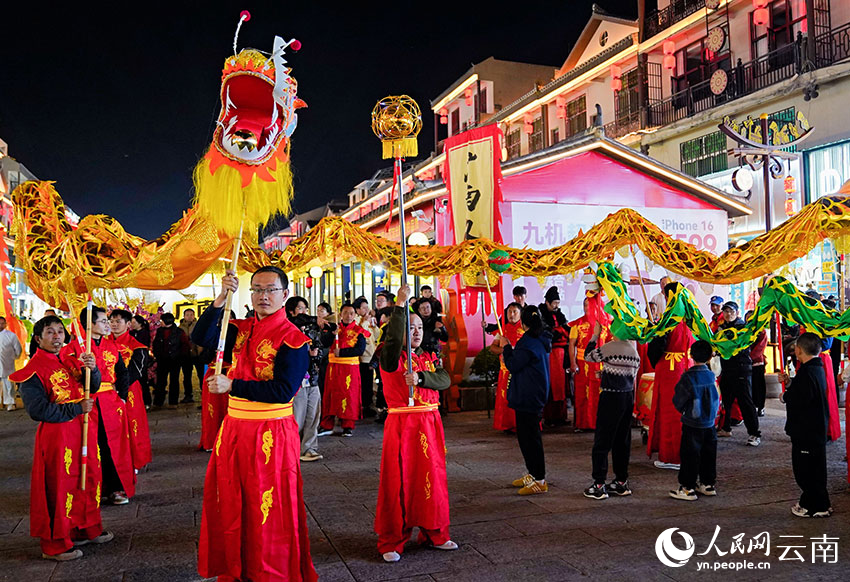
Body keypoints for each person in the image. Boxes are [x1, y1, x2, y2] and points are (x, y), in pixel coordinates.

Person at [194, 266, 317, 581]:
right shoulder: (239, 327)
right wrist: (221, 297)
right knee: (231, 497)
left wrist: (233, 385)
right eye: (257, 289)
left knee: (268, 503)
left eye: (270, 290)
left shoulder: (294, 339)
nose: (263, 296)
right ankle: (237, 565)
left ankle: (270, 570)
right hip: (234, 428)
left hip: (270, 432)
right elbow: (201, 336)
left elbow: (281, 392)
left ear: (284, 295)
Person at [12, 315, 114, 561]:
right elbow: (38, 411)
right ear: (38, 339)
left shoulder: (70, 362)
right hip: (58, 436)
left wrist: (93, 369)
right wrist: (76, 409)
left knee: (87, 477)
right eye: (50, 332)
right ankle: (55, 543)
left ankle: (85, 528)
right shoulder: (31, 371)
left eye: (60, 331)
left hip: (83, 431)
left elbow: (93, 385)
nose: (57, 336)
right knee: (59, 485)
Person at [375, 284, 456, 562]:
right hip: (402, 425)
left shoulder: (430, 358)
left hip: (430, 424)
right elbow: (395, 340)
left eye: (420, 327)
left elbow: (444, 380)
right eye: (411, 327)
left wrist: (421, 379)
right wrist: (400, 306)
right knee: (398, 480)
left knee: (432, 478)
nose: (416, 332)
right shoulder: (390, 357)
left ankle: (435, 532)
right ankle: (392, 540)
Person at [61, 306, 134, 505]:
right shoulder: (73, 349)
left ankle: (117, 488)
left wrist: (123, 397)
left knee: (114, 447)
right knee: (91, 447)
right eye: (103, 321)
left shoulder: (112, 346)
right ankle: (93, 489)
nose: (108, 325)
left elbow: (123, 373)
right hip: (87, 404)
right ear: (89, 325)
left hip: (111, 403)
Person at [582, 322, 640, 500]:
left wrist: (594, 336)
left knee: (602, 441)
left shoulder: (609, 347)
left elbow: (588, 356)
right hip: (627, 398)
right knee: (622, 441)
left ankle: (599, 484)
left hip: (610, 398)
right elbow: (630, 374)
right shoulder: (633, 351)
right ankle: (621, 482)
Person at [777, 333, 832, 518]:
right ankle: (822, 502)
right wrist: (790, 382)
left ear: (799, 349)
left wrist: (785, 395)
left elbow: (800, 399)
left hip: (806, 429)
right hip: (815, 428)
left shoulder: (807, 372)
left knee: (806, 471)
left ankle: (812, 505)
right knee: (816, 468)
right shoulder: (816, 368)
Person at [500, 305, 551, 495]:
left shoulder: (528, 343)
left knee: (531, 439)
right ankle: (533, 473)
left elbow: (513, 364)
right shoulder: (538, 340)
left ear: (523, 322)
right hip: (531, 394)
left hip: (529, 396)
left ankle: (539, 479)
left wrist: (506, 347)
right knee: (526, 437)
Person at [646, 282, 694, 470]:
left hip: (670, 368)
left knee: (670, 412)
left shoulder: (670, 319)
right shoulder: (690, 317)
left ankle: (672, 456)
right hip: (686, 365)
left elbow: (657, 347)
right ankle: (681, 453)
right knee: (683, 410)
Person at [669, 341, 720, 501]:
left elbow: (678, 400)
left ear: (691, 355)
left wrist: (684, 411)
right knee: (709, 454)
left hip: (692, 422)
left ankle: (687, 488)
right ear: (710, 356)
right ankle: (707, 484)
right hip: (710, 423)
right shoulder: (712, 376)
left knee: (690, 455)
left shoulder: (688, 377)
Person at [287, 296, 333, 462]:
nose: (304, 312)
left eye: (305, 308)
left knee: (313, 414)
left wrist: (315, 353)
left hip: (312, 378)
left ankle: (309, 448)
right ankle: (292, 447)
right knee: (297, 416)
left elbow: (320, 347)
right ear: (291, 311)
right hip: (297, 380)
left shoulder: (311, 329)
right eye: (300, 308)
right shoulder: (289, 327)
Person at [109, 309, 152, 470]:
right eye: (111, 321)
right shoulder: (102, 344)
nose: (114, 324)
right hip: (107, 391)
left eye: (118, 321)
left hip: (130, 391)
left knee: (131, 424)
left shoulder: (137, 347)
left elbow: (136, 372)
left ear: (128, 324)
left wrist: (119, 386)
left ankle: (134, 460)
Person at [319, 303, 368, 437]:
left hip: (350, 369)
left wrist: (343, 353)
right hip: (333, 368)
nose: (348, 316)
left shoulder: (359, 331)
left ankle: (347, 425)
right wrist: (331, 334)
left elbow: (360, 350)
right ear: (340, 314)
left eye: (351, 313)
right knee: (330, 394)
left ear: (355, 315)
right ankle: (326, 424)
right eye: (345, 313)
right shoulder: (334, 327)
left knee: (349, 395)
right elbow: (324, 342)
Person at [716, 302, 761, 446]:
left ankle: (754, 434)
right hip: (727, 369)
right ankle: (725, 428)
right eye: (726, 311)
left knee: (745, 402)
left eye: (731, 311)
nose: (728, 314)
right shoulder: (722, 327)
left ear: (737, 312)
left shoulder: (742, 327)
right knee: (726, 401)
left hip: (741, 369)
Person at [197, 310, 237, 453]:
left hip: (231, 374)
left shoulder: (239, 335)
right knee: (212, 410)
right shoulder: (214, 336)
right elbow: (202, 357)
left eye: (231, 318)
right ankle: (212, 440)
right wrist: (213, 351)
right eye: (226, 318)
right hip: (215, 372)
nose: (229, 321)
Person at [570, 296, 610, 431]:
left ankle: (599, 423)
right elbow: (572, 345)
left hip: (600, 365)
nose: (587, 308)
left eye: (589, 305)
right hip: (583, 364)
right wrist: (573, 363)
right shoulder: (577, 324)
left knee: (599, 394)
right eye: (585, 305)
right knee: (582, 395)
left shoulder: (606, 324)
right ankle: (583, 423)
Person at [487, 303, 523, 432]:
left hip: (520, 371)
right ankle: (507, 425)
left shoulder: (525, 329)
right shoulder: (502, 330)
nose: (512, 315)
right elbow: (492, 348)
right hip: (505, 370)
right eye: (509, 312)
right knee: (505, 398)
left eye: (515, 312)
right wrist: (504, 349)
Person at [539, 286, 570, 426]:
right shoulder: (540, 315)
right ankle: (550, 417)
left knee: (562, 386)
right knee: (551, 385)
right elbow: (544, 333)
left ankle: (561, 416)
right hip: (550, 354)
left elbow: (566, 329)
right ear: (547, 302)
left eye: (558, 303)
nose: (557, 306)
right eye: (554, 303)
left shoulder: (560, 315)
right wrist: (557, 332)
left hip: (562, 354)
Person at [152, 313, 189, 408]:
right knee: (160, 381)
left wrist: (181, 357)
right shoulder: (160, 331)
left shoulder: (179, 332)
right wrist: (156, 354)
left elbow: (184, 345)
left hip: (175, 360)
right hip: (162, 360)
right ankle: (158, 402)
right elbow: (156, 343)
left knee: (174, 381)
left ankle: (173, 402)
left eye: (162, 321)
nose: (160, 323)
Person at [353, 297, 380, 418]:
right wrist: (365, 321)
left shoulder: (367, 320)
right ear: (357, 310)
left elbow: (376, 335)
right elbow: (358, 332)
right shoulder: (356, 320)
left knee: (368, 382)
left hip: (371, 355)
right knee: (364, 383)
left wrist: (374, 326)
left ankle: (368, 405)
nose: (366, 309)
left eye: (367, 306)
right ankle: (364, 405)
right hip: (362, 357)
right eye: (363, 307)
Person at [178, 308, 203, 404]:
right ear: (184, 316)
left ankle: (203, 395)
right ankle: (188, 395)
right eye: (187, 315)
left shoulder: (199, 326)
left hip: (197, 354)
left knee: (201, 375)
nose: (189, 316)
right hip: (186, 355)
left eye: (191, 314)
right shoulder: (180, 328)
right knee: (187, 376)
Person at [128, 315, 152, 407]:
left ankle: (146, 402)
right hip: (131, 359)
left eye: (134, 323)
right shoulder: (131, 333)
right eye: (131, 323)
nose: (132, 325)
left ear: (140, 324)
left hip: (141, 359)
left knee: (143, 380)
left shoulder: (144, 333)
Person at [747, 312, 768, 417]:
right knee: (750, 386)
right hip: (746, 363)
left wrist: (749, 357)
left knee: (759, 385)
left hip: (757, 362)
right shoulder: (745, 331)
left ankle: (761, 406)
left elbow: (760, 347)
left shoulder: (761, 331)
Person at [0, 316, 22, 411]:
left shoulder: (11, 335)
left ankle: (10, 403)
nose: (0, 325)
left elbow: (18, 349)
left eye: (2, 323)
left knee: (8, 384)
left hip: (7, 363)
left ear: (5, 324)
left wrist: (14, 357)